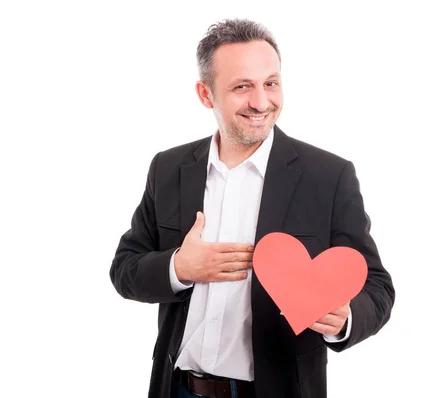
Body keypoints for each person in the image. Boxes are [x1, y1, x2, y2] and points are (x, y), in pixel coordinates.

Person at [110, 18, 395, 398]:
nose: (262, 102)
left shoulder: (329, 176)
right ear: (205, 94)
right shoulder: (168, 168)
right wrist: (179, 268)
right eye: (242, 86)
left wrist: (346, 318)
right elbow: (125, 268)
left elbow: (376, 287)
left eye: (271, 83)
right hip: (178, 388)